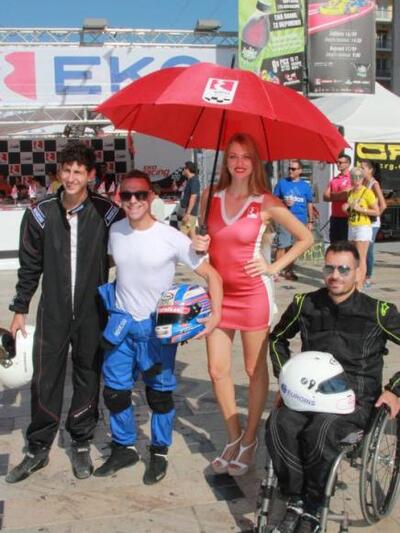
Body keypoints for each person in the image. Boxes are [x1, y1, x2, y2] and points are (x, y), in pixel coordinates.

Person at [192, 133, 313, 476]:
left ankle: (250, 439)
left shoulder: (265, 202)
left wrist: (273, 267)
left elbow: (306, 237)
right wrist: (196, 241)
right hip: (219, 296)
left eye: (246, 156)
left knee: (253, 370)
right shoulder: (209, 197)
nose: (239, 163)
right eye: (233, 156)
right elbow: (198, 238)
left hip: (251, 295)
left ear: (255, 162)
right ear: (226, 161)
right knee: (216, 369)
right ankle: (233, 437)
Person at [93, 169, 222, 484]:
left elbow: (212, 276)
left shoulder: (171, 237)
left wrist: (215, 316)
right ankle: (124, 447)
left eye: (140, 194)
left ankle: (159, 451)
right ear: (119, 197)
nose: (133, 200)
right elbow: (106, 264)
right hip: (121, 327)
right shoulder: (115, 231)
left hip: (157, 331)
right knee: (115, 393)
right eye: (127, 195)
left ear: (151, 197)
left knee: (159, 396)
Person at [6, 142, 123, 484]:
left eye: (78, 172)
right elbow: (29, 266)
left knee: (88, 373)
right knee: (46, 377)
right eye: (67, 171)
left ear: (90, 175)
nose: (71, 178)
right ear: (59, 172)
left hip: (92, 311)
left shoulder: (107, 212)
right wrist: (19, 309)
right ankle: (38, 447)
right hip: (53, 310)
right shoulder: (40, 213)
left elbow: (135, 241)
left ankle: (81, 440)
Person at [266, 241, 400, 533]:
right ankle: (295, 499)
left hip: (354, 400)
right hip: (309, 394)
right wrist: (286, 378)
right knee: (278, 424)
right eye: (329, 268)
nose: (335, 275)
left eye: (343, 269)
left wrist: (395, 390)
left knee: (321, 430)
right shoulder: (305, 304)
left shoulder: (379, 311)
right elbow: (277, 339)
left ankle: (313, 507)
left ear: (358, 272)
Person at [273, 160, 314, 281]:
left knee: (294, 248)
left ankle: (288, 271)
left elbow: (309, 203)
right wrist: (283, 202)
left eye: (293, 169)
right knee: (282, 245)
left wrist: (310, 221)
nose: (290, 171)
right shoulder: (282, 183)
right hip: (285, 218)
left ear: (300, 171)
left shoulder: (305, 186)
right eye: (289, 168)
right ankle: (275, 271)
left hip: (300, 220)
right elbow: (273, 199)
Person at [342, 167, 379, 290]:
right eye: (353, 176)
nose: (356, 179)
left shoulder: (367, 192)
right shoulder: (351, 193)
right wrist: (346, 209)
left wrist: (361, 209)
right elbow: (351, 212)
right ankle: (354, 282)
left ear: (363, 178)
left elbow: (376, 211)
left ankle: (359, 285)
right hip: (352, 225)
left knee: (361, 257)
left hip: (363, 227)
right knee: (353, 256)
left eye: (359, 176)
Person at [361, 160, 387, 289]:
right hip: (361, 221)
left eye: (363, 168)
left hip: (372, 223)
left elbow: (383, 205)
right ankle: (360, 275)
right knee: (360, 249)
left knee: (368, 250)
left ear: (370, 170)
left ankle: (368, 277)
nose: (360, 170)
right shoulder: (362, 182)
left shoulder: (374, 184)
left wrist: (375, 216)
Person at [323, 153, 352, 243]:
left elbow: (346, 195)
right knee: (334, 243)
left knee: (344, 244)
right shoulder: (335, 179)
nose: (338, 164)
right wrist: (339, 195)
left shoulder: (351, 178)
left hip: (346, 217)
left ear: (348, 164)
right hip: (335, 216)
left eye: (340, 162)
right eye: (337, 162)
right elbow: (325, 197)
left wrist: (333, 195)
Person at [179, 161, 200, 235]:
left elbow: (193, 197)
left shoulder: (194, 181)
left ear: (188, 169)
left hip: (190, 215)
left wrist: (188, 214)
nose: (183, 170)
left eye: (184, 168)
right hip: (190, 214)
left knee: (182, 234)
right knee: (192, 235)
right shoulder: (190, 180)